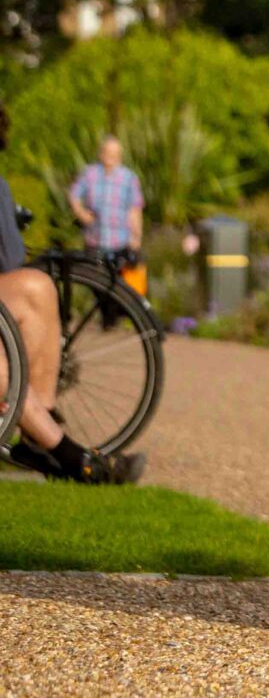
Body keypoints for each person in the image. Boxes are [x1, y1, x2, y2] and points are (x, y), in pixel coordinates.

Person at [2, 113, 140, 485]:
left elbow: (10, 260)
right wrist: (83, 215)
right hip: (97, 235)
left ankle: (39, 427)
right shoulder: (92, 176)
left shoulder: (128, 179)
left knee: (39, 286)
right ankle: (72, 459)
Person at [67, 135, 145, 296]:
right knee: (98, 287)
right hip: (95, 241)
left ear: (120, 156)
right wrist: (80, 212)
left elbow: (135, 209)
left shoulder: (128, 178)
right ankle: (105, 319)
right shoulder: (90, 174)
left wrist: (136, 237)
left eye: (115, 153)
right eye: (108, 152)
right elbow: (73, 194)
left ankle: (112, 320)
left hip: (120, 243)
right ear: (101, 153)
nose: (111, 157)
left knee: (120, 290)